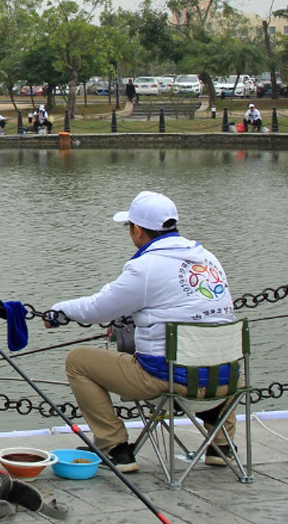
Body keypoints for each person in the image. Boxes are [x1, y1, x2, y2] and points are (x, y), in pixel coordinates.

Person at [41, 191, 236, 472]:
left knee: (78, 361)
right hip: (225, 382)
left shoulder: (145, 266)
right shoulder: (208, 259)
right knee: (215, 353)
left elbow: (99, 308)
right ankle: (222, 445)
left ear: (138, 230)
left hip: (170, 380)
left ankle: (115, 448)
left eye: (129, 227)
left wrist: (60, 311)